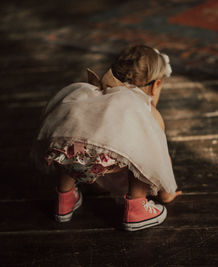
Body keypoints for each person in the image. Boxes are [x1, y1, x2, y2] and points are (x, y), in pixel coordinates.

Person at [34, 45, 182, 231]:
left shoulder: (89, 95)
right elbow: (158, 160)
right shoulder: (147, 112)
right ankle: (136, 209)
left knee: (73, 135)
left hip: (65, 154)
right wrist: (168, 194)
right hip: (103, 161)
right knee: (148, 153)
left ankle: (64, 199)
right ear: (156, 85)